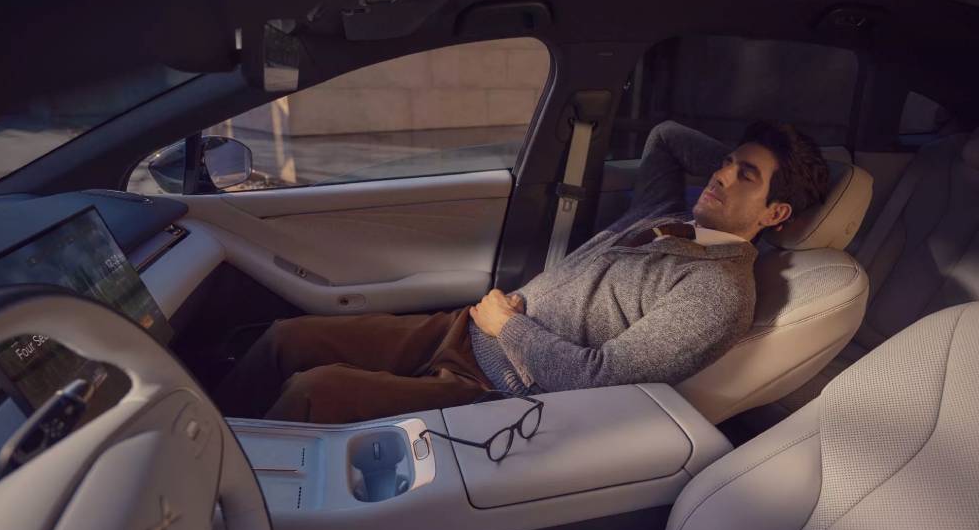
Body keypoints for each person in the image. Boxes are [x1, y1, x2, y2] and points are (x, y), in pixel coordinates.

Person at [215, 120, 830, 424]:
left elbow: (601, 380)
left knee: (314, 393)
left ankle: (225, 503)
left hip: (495, 389)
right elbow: (666, 139)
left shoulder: (718, 293)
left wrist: (506, 327)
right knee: (285, 338)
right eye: (725, 163)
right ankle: (207, 433)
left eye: (745, 176)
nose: (720, 176)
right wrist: (737, 164)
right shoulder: (667, 215)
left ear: (776, 213)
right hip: (461, 330)